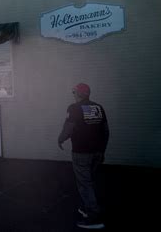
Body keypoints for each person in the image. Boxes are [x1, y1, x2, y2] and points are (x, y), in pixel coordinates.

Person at [58, 83, 109, 230]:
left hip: (81, 153)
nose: (73, 95)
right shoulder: (99, 108)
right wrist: (102, 151)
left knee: (85, 184)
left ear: (79, 94)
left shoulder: (74, 108)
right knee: (90, 181)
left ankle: (94, 217)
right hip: (97, 153)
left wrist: (60, 139)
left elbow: (68, 129)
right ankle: (87, 207)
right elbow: (106, 131)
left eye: (74, 92)